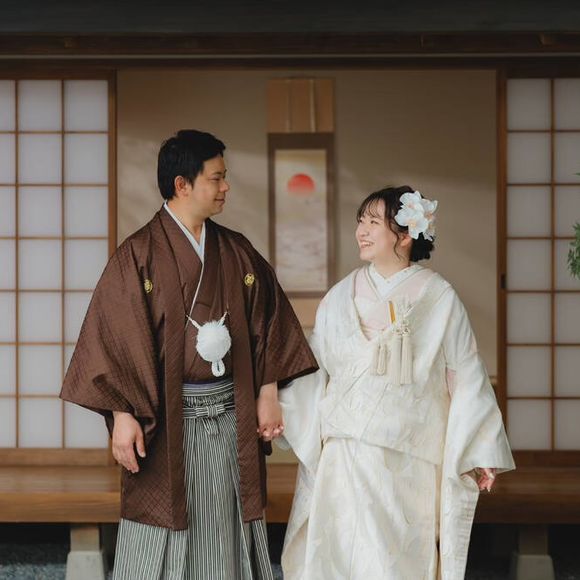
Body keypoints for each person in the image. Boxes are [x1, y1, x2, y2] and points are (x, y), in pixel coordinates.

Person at [60, 129, 317, 580]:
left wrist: (268, 394)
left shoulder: (236, 251)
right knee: (160, 522)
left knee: (226, 524)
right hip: (165, 422)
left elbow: (269, 323)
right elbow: (114, 337)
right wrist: (121, 414)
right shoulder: (137, 255)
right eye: (216, 178)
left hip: (231, 415)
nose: (225, 187)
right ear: (182, 184)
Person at [278, 186, 515, 580]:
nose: (361, 231)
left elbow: (465, 372)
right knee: (339, 554)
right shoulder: (340, 296)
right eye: (361, 221)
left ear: (405, 235)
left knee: (396, 559)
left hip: (408, 452)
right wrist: (278, 407)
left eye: (373, 222)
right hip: (345, 450)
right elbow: (315, 367)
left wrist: (481, 446)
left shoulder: (439, 297)